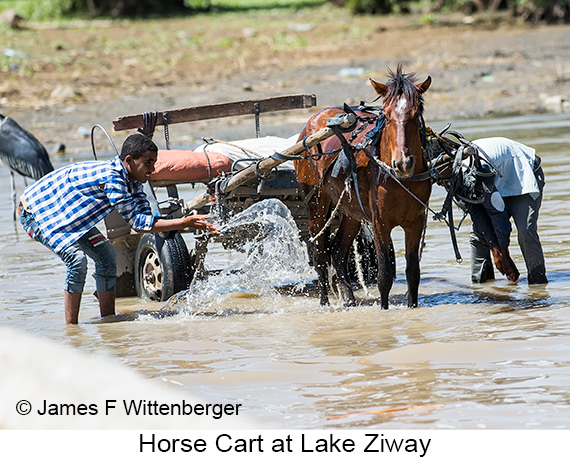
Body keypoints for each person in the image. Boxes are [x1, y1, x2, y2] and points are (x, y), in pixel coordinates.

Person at [19, 133, 218, 324]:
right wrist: (184, 222)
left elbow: (146, 215)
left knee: (107, 256)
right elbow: (139, 224)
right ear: (129, 160)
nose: (153, 168)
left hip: (69, 218)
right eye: (148, 163)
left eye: (154, 162)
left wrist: (173, 221)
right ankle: (72, 330)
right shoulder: (113, 179)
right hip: (37, 213)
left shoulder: (133, 179)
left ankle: (108, 319)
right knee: (77, 261)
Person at [468, 136, 547, 285]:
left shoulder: (474, 168)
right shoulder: (449, 179)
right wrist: (495, 249)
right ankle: (482, 290)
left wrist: (503, 253)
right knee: (478, 236)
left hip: (523, 176)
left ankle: (538, 284)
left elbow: (496, 212)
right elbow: (477, 213)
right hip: (496, 184)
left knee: (526, 230)